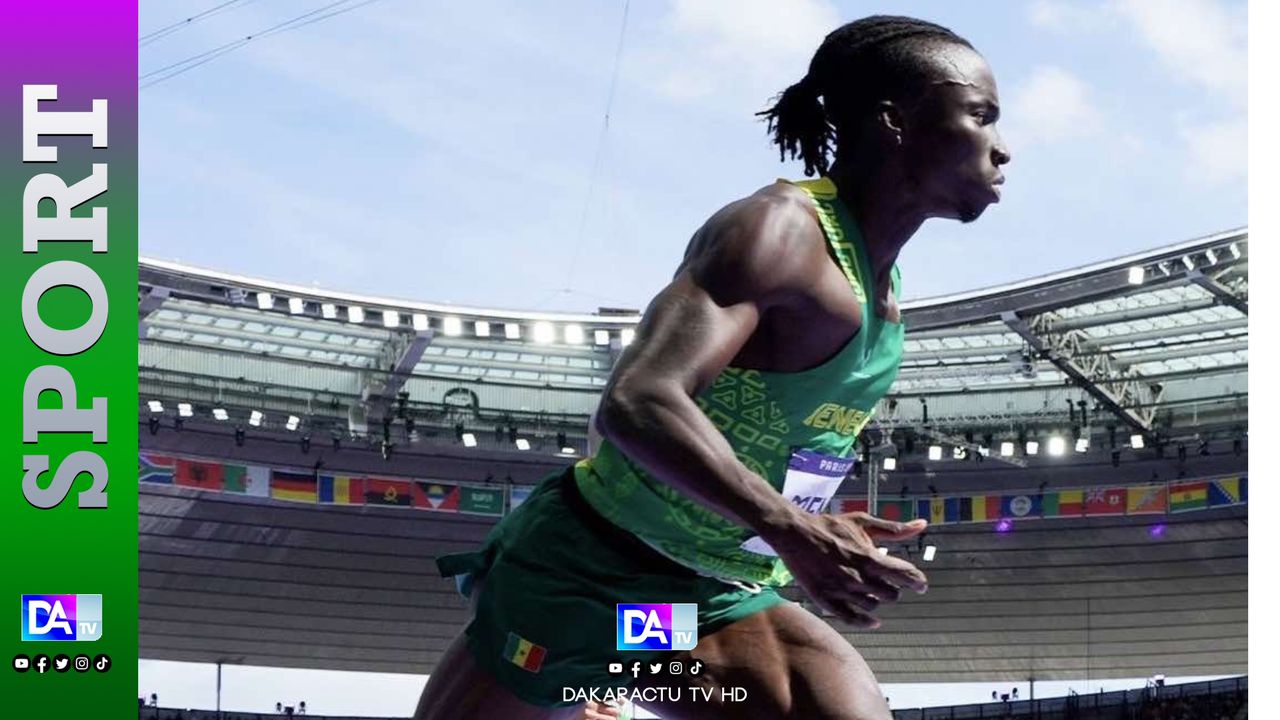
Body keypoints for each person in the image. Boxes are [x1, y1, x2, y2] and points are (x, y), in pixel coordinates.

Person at [416, 14, 1010, 720]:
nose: (1002, 147)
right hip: (581, 580)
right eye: (981, 116)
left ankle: (611, 683)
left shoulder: (883, 290)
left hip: (685, 609)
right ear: (896, 121)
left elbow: (760, 434)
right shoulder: (779, 232)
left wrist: (811, 519)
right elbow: (640, 400)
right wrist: (789, 525)